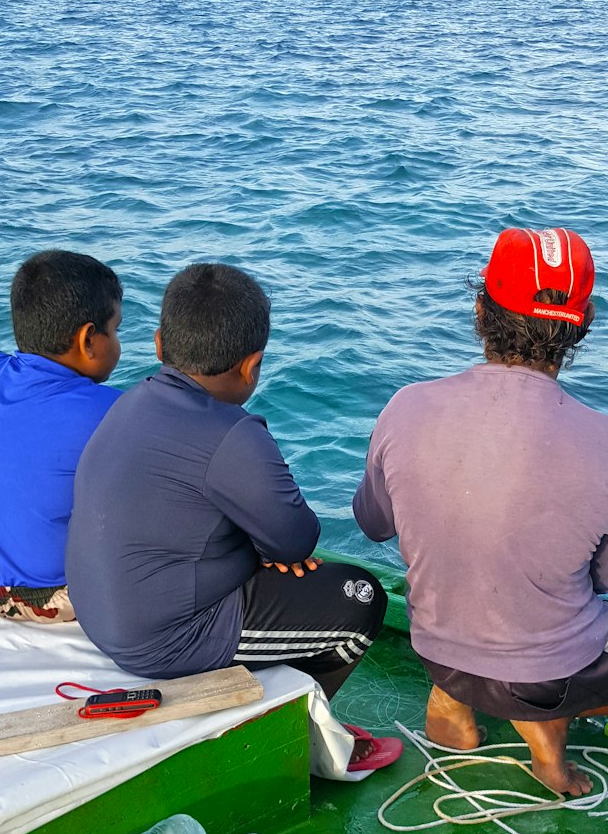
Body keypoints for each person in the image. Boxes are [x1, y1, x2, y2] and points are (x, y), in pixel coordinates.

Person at [353, 225, 608, 797]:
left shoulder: (404, 408)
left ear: (480, 310)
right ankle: (546, 732)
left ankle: (457, 697)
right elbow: (603, 580)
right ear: (585, 324)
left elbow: (373, 524)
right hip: (546, 678)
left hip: (439, 652)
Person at [67, 262, 399, 775]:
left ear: (159, 344)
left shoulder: (129, 402)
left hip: (101, 618)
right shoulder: (234, 434)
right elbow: (297, 540)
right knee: (360, 600)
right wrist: (268, 553)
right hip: (162, 639)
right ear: (252, 366)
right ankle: (300, 735)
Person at [0, 249, 123, 622]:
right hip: (59, 599)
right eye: (115, 329)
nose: (117, 342)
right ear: (87, 340)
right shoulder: (112, 411)